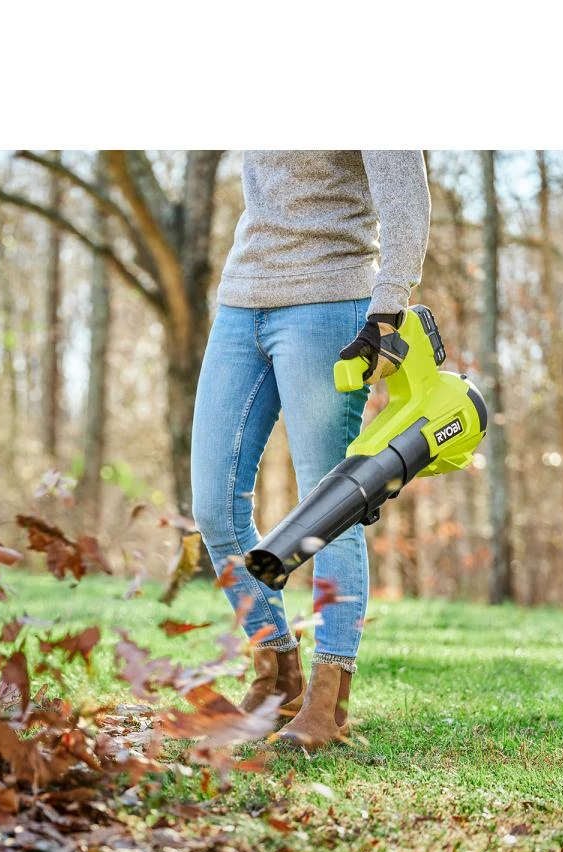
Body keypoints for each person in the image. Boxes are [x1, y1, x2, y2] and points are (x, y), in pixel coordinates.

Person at [190, 150, 431, 749]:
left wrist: (387, 310)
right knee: (213, 507)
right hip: (242, 299)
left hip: (331, 300)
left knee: (329, 507)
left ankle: (330, 701)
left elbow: (407, 202)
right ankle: (277, 673)